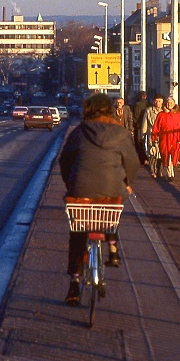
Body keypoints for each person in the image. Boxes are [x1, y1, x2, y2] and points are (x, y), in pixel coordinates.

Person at [59, 93, 139, 305]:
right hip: (112, 189)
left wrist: (71, 183)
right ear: (110, 110)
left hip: (81, 191)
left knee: (78, 233)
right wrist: (127, 182)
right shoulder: (120, 133)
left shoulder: (79, 132)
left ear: (88, 110)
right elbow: (132, 161)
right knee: (111, 208)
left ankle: (74, 284)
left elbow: (65, 160)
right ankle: (112, 246)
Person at [151, 96, 180, 181]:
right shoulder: (161, 115)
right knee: (166, 155)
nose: (169, 104)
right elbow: (156, 127)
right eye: (168, 103)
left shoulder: (179, 115)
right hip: (164, 138)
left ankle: (171, 171)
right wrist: (154, 137)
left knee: (174, 155)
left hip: (175, 138)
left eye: (171, 103)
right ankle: (169, 172)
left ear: (174, 104)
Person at [140, 94, 164, 175]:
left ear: (162, 102)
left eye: (159, 101)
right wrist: (143, 135)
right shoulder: (149, 111)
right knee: (152, 152)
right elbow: (145, 124)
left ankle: (160, 171)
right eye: (156, 101)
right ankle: (152, 170)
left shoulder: (164, 111)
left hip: (162, 135)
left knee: (160, 153)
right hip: (151, 133)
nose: (157, 103)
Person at [131, 91, 150, 164]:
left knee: (139, 143)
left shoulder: (136, 105)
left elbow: (135, 116)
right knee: (147, 142)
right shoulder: (149, 105)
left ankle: (142, 159)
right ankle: (148, 158)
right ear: (145, 96)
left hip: (138, 126)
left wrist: (135, 125)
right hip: (148, 126)